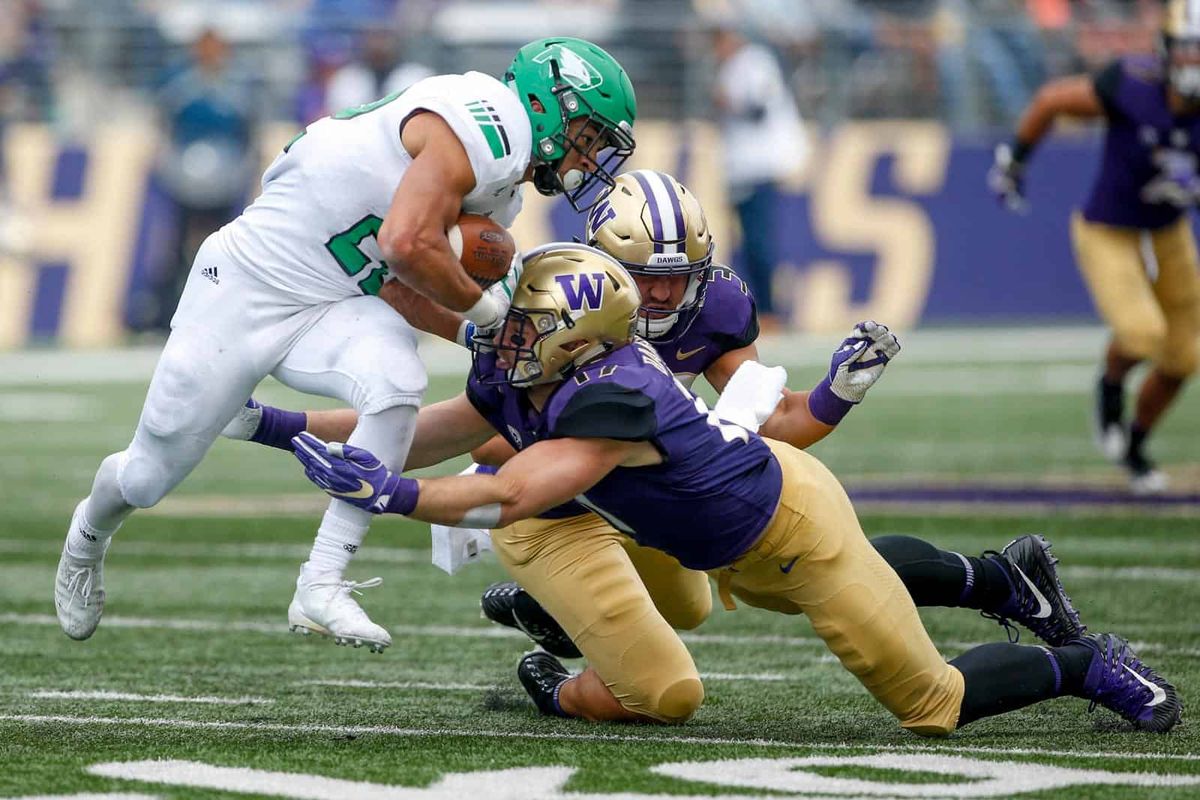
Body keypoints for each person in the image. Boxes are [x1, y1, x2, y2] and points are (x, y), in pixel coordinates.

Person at [294, 243, 1181, 735]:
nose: (507, 337)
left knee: (932, 705)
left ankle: (1083, 664)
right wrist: (270, 424)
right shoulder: (565, 365)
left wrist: (395, 498)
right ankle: (559, 626)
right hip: (717, 540)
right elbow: (431, 421)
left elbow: (516, 492)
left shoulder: (613, 396)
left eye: (529, 326)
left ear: (573, 340)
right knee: (679, 611)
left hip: (793, 532)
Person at [228, 169, 1072, 666]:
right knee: (662, 594)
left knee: (804, 577)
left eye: (681, 275)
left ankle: (993, 579)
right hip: (568, 491)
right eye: (648, 277)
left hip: (676, 481)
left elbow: (770, 421)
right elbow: (481, 418)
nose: (666, 293)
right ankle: (566, 620)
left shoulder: (717, 306)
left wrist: (835, 395)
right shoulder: (546, 304)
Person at [53, 38, 638, 655]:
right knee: (147, 478)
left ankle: (323, 582)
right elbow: (407, 241)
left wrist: (476, 335)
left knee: (396, 383)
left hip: (333, 304)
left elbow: (399, 285)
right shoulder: (485, 121)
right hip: (245, 290)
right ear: (551, 105)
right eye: (588, 134)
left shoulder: (503, 191)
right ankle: (87, 533)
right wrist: (490, 312)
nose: (588, 155)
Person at [988, 0, 1200, 495]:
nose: (1193, 64)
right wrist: (1015, 162)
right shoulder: (1132, 87)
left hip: (1167, 231)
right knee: (1143, 333)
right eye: (1188, 53)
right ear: (1168, 53)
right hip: (1109, 229)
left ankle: (1135, 443)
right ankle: (1109, 388)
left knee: (1185, 356)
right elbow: (1052, 100)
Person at [711, 21, 807, 329]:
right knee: (746, 246)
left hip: (760, 167)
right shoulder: (731, 67)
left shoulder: (754, 61)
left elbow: (760, 107)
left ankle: (771, 311)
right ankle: (757, 311)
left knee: (760, 243)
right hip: (740, 170)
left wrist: (730, 101)